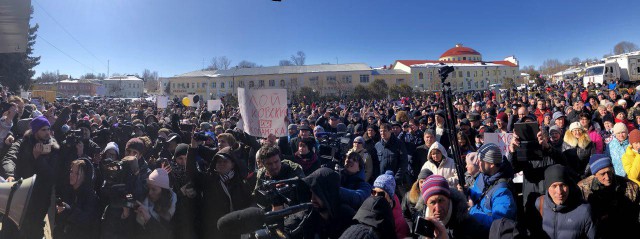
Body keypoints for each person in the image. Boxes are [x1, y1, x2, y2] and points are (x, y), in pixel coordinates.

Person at [0, 115, 60, 239]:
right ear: (35, 131)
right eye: (43, 130)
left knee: (33, 231)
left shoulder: (52, 148)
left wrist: (37, 158)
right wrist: (10, 174)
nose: (47, 132)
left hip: (39, 199)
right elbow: (10, 158)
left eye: (48, 129)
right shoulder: (23, 143)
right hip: (19, 196)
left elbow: (51, 174)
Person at [578, 154, 640, 239]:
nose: (607, 177)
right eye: (602, 174)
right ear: (595, 174)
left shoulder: (631, 187)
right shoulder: (582, 189)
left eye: (609, 172)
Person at [527, 165, 595, 239]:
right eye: (554, 186)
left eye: (563, 185)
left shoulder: (584, 210)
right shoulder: (539, 204)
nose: (559, 191)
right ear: (547, 188)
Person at [287, 168, 356, 239]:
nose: (312, 199)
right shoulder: (307, 215)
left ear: (328, 194)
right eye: (311, 193)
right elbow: (289, 225)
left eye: (317, 194)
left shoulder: (347, 217)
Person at [468, 143, 517, 232]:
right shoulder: (483, 176)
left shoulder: (503, 192)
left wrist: (472, 211)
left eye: (480, 160)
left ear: (491, 164)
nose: (477, 163)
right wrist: (465, 192)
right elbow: (475, 194)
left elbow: (498, 224)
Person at [421, 175, 486, 239]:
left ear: (449, 199)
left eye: (441, 201)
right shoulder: (422, 226)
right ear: (426, 204)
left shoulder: (471, 228)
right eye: (432, 202)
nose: (438, 209)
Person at [54, 158, 100, 239]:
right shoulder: (67, 191)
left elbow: (87, 220)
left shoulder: (91, 196)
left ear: (85, 176)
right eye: (71, 172)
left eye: (77, 173)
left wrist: (69, 211)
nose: (72, 175)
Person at [133, 168, 177, 239]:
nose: (150, 193)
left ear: (163, 191)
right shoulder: (142, 202)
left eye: (154, 189)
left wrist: (148, 218)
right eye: (149, 188)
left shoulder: (174, 206)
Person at [372, 171, 410, 239]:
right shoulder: (369, 210)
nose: (376, 196)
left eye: (381, 194)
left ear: (390, 198)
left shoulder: (400, 223)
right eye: (373, 192)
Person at [375, 123, 409, 191]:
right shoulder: (377, 145)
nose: (382, 133)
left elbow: (403, 162)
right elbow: (375, 164)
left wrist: (396, 179)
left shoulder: (399, 144)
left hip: (397, 182)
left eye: (385, 131)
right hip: (381, 182)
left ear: (390, 131)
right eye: (381, 131)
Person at [401, 168, 433, 234]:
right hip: (415, 232)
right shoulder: (409, 196)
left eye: (426, 181)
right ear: (418, 183)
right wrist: (411, 228)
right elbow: (405, 215)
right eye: (421, 182)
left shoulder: (435, 197)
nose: (423, 184)